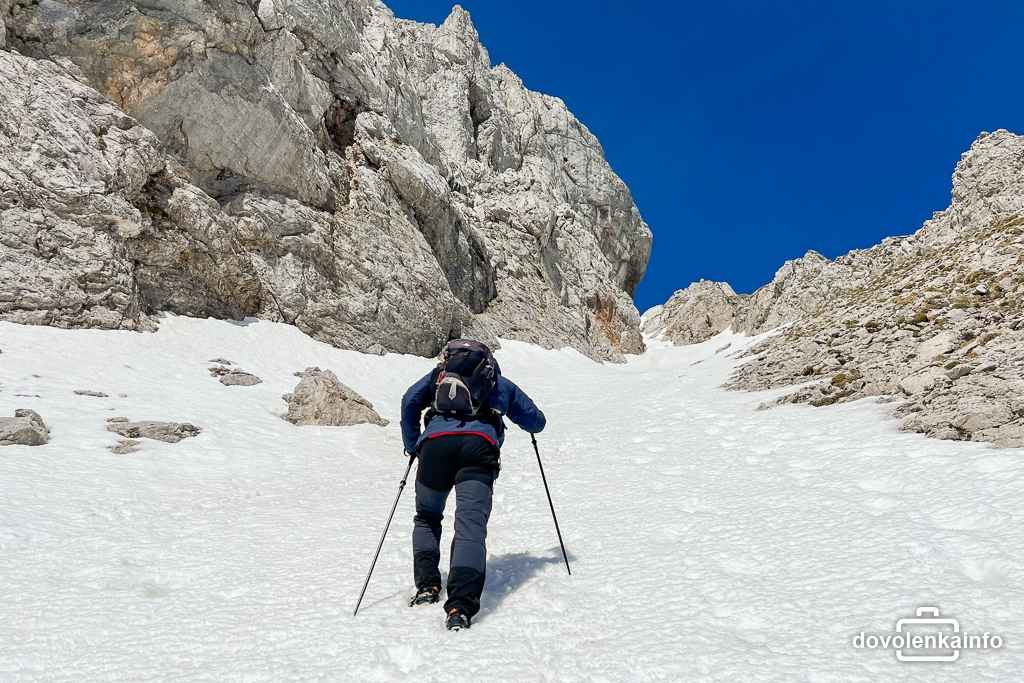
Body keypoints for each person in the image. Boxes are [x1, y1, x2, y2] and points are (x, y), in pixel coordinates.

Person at [400, 339, 546, 631]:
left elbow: (409, 401)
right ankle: (459, 606)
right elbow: (536, 421)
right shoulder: (497, 383)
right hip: (479, 450)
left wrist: (414, 444)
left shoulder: (438, 376)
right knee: (470, 525)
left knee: (427, 517)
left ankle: (427, 587)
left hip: (435, 450)